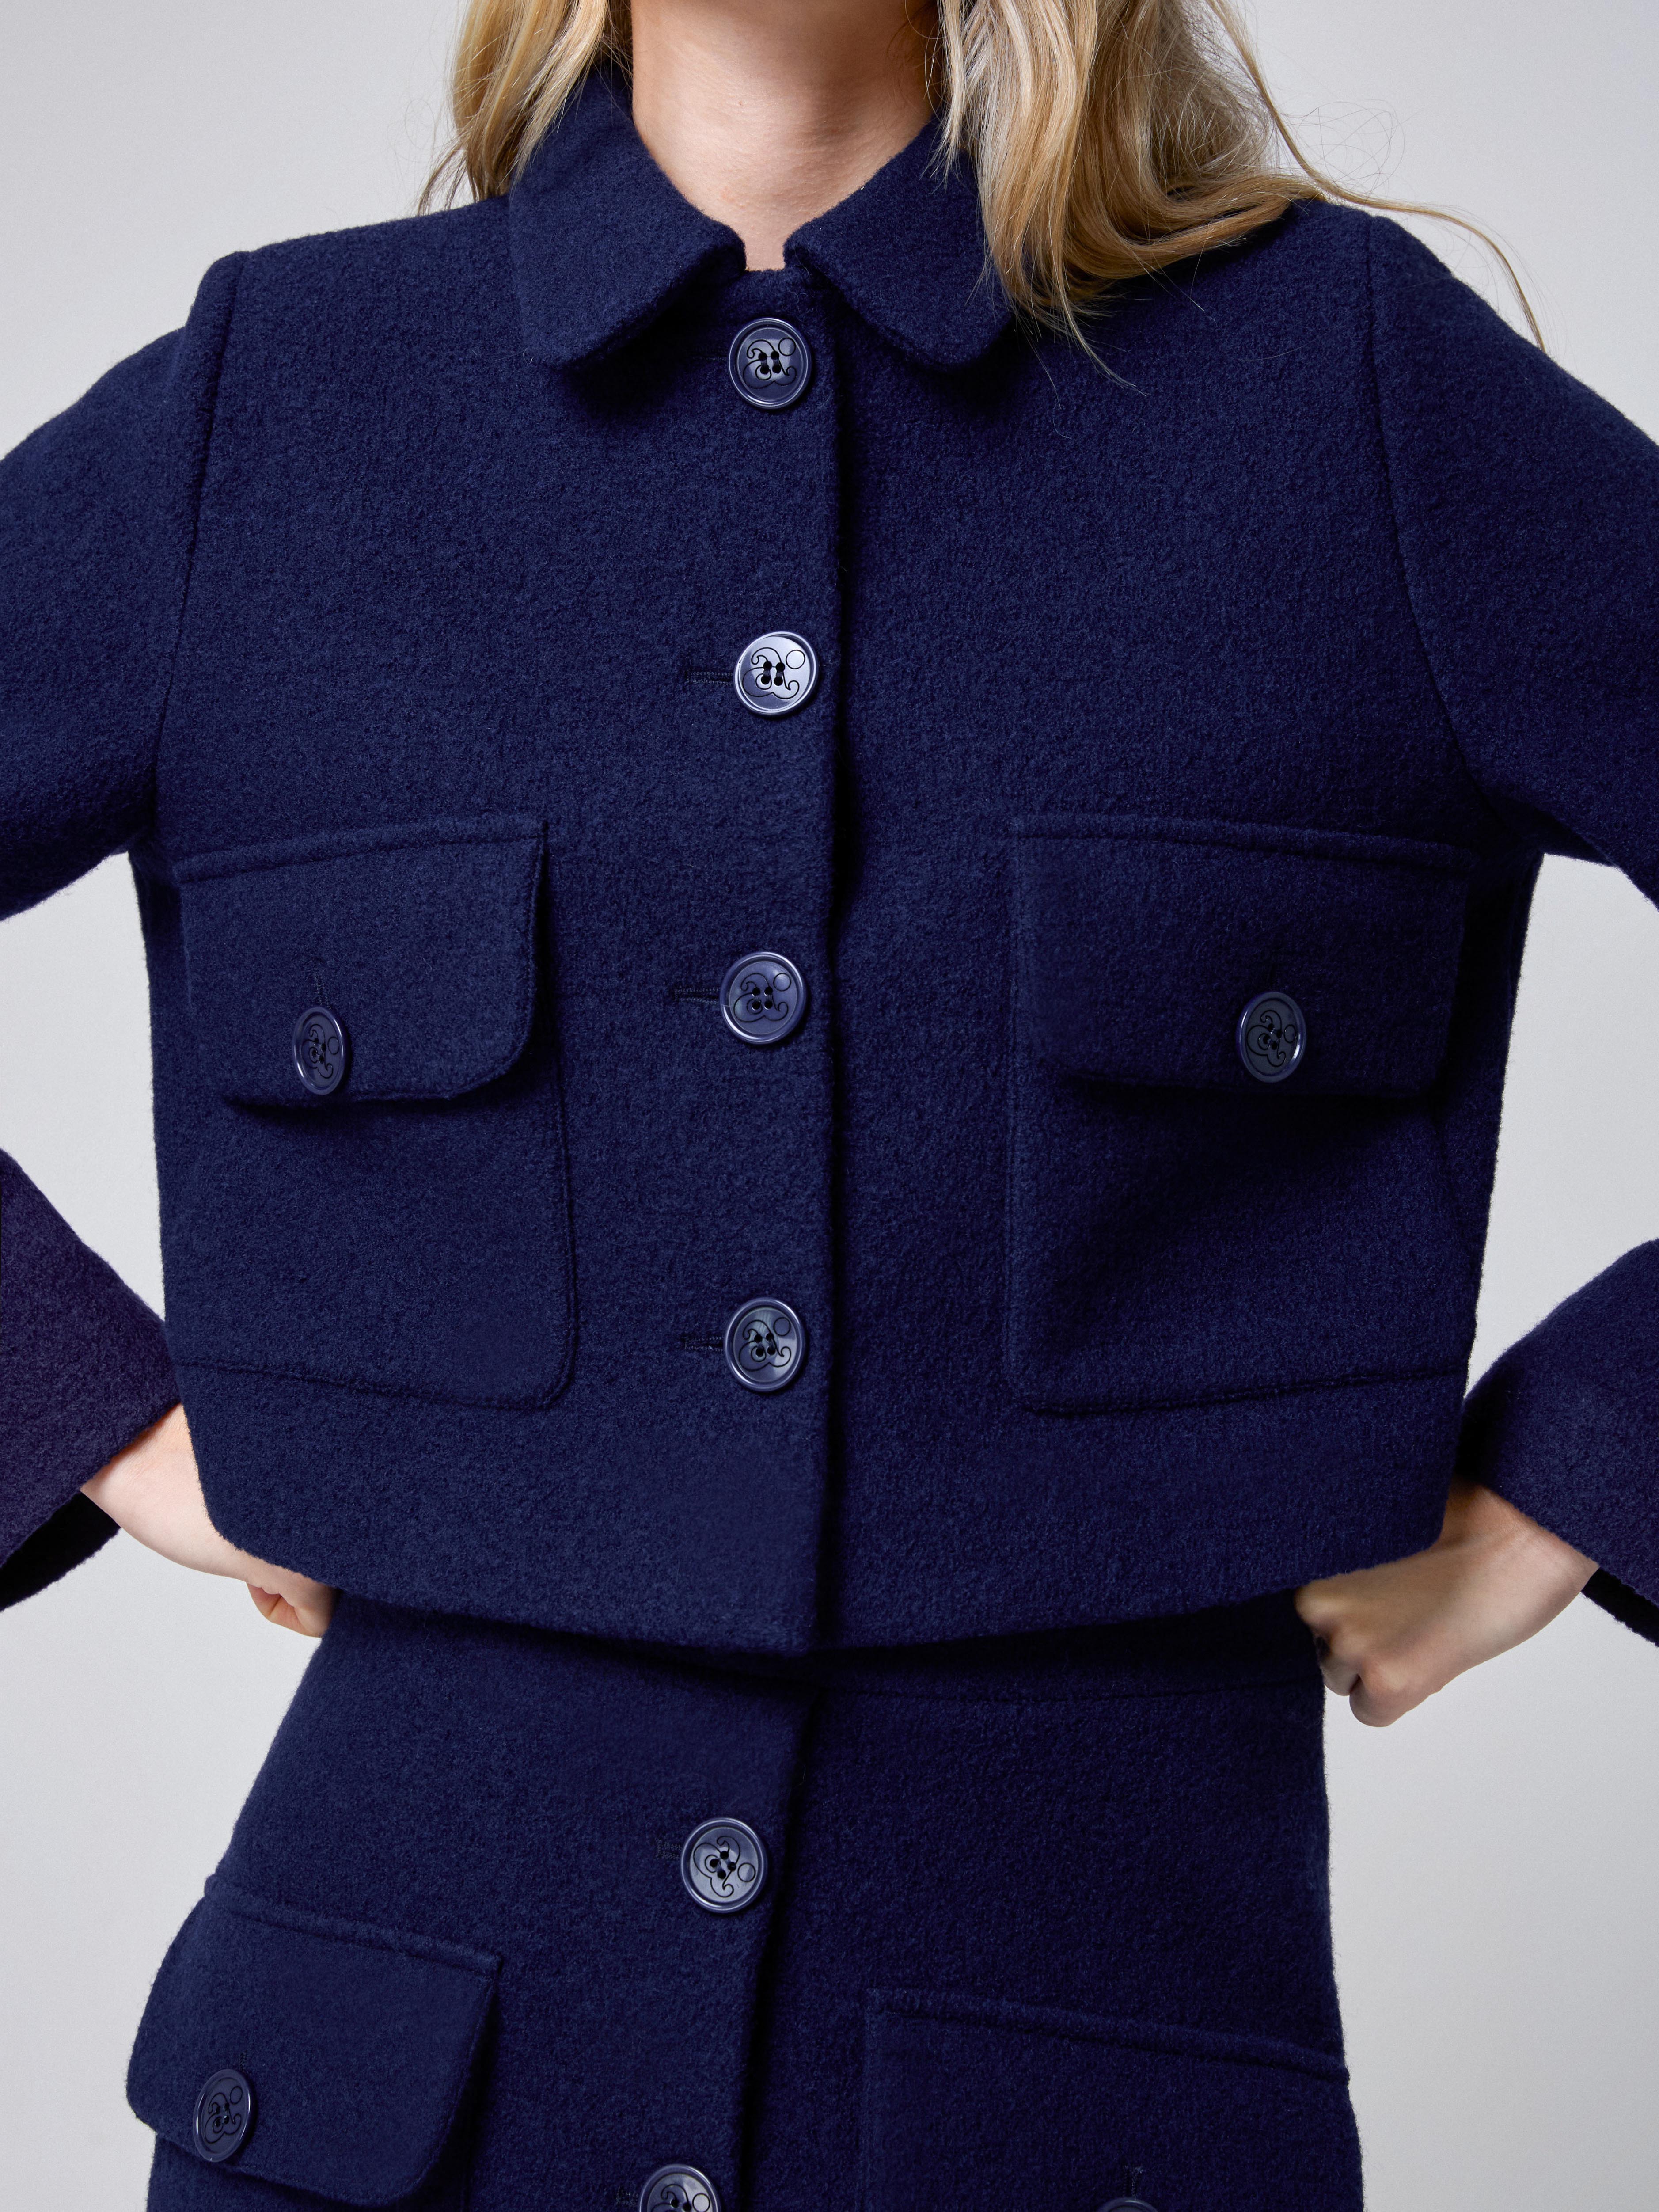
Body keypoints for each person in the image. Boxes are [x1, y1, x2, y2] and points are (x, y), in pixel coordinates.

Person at [3, 0, 1655, 2205]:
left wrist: (1580, 1472)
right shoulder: (280, 408)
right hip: (374, 2119)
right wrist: (97, 1417)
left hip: (1087, 2117)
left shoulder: (1348, 390)